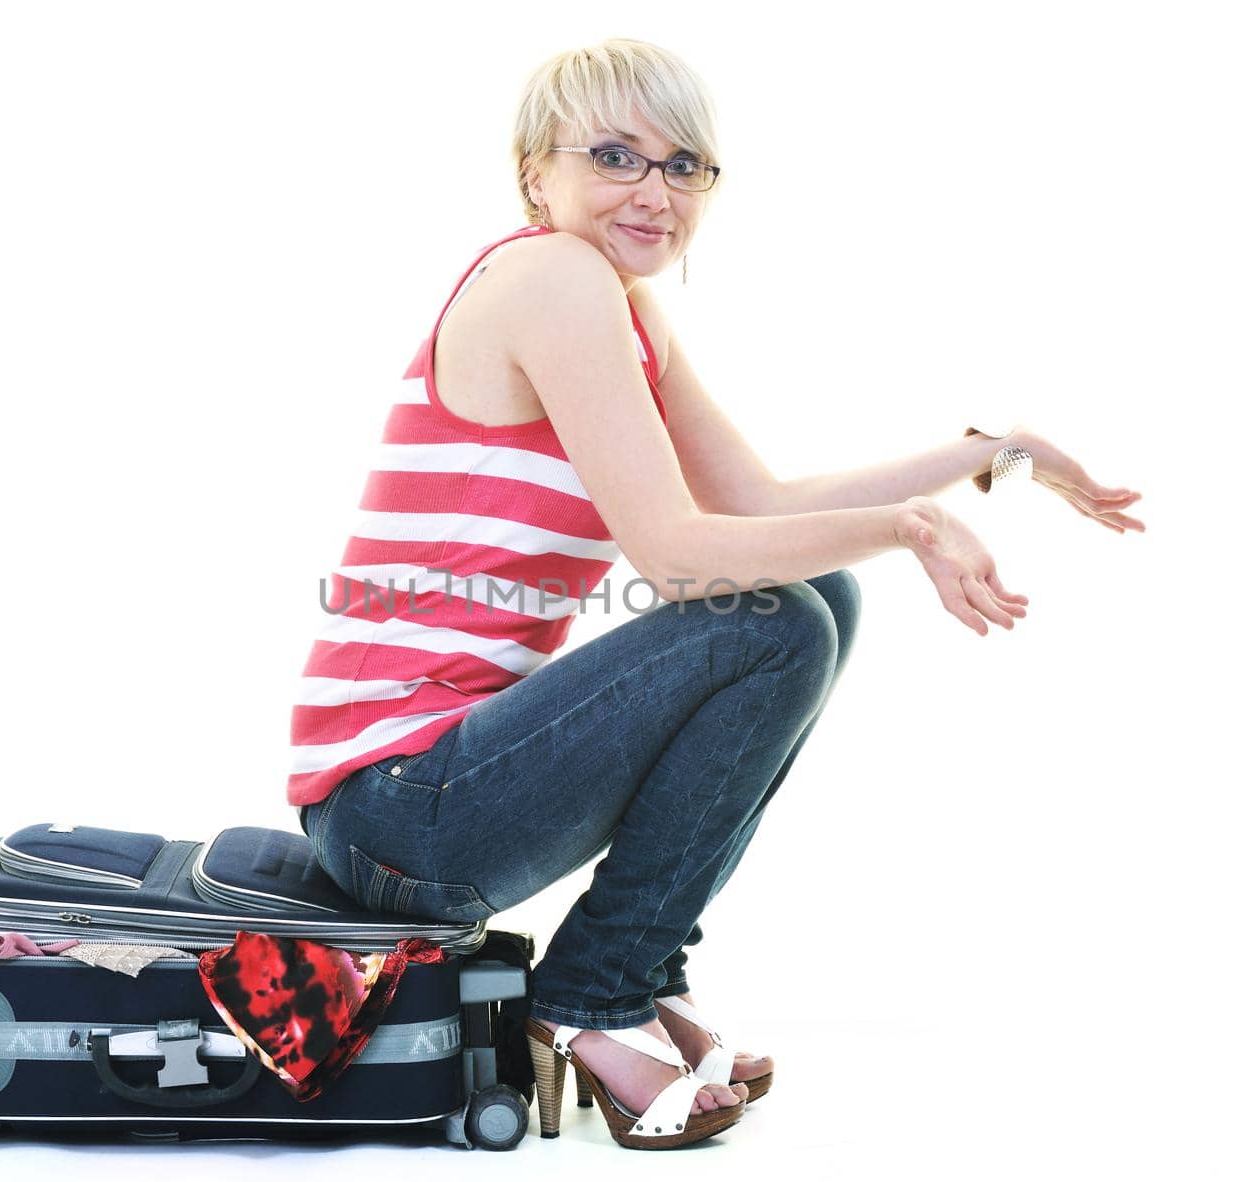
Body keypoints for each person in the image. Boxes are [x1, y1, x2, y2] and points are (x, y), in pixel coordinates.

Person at [289, 38, 1145, 1149]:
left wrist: (990, 453)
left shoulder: (623, 309)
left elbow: (760, 502)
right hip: (398, 812)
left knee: (813, 592)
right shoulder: (550, 277)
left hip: (437, 796)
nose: (657, 190)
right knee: (776, 614)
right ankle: (593, 995)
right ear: (533, 176)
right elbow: (678, 552)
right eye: (615, 155)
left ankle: (633, 970)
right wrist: (909, 529)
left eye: (685, 164)